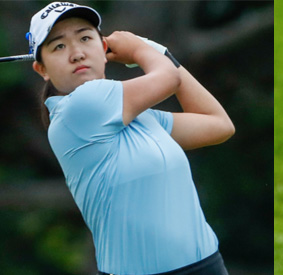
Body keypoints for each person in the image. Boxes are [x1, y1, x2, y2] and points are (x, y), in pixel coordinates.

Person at [28, 2, 234, 274]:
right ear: (42, 70)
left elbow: (219, 125)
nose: (77, 53)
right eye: (59, 46)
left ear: (103, 50)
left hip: (206, 265)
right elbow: (169, 77)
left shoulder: (142, 119)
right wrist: (141, 48)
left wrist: (159, 52)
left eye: (85, 38)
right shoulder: (77, 109)